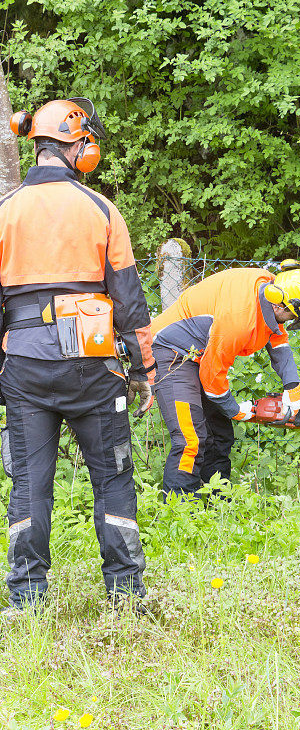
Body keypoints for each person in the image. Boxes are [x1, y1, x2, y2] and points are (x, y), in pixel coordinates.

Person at [0, 98, 155, 617]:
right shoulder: (102, 210)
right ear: (76, 145)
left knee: (29, 482)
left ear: (37, 144)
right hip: (92, 368)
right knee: (112, 477)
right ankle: (125, 595)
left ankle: (25, 600)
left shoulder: (6, 211)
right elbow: (130, 302)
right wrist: (144, 369)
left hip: (23, 367)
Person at [150, 261, 300, 497]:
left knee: (219, 435)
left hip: (202, 355)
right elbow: (212, 378)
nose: (291, 321)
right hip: (172, 353)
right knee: (191, 439)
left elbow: (279, 343)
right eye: (293, 316)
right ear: (281, 306)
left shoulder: (272, 288)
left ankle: (217, 502)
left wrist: (294, 389)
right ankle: (179, 511)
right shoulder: (239, 318)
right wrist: (237, 410)